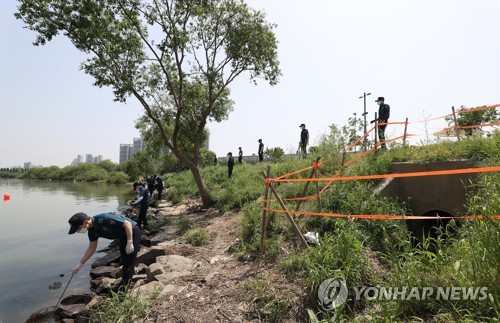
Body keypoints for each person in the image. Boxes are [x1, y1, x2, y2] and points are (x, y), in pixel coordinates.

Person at [68, 212, 141, 290]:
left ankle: (124, 289)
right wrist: (79, 264)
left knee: (128, 262)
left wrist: (130, 242)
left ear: (85, 222)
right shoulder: (92, 232)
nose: (78, 231)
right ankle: (124, 283)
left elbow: (127, 224)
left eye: (78, 228)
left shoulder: (104, 218)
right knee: (124, 260)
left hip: (132, 232)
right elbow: (91, 248)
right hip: (122, 236)